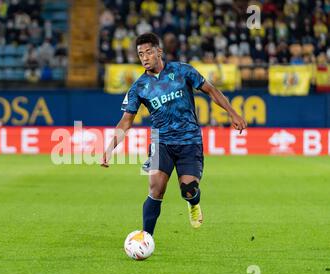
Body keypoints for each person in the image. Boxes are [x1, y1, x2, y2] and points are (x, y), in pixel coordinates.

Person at [101, 33, 247, 234]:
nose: (144, 57)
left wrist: (233, 114)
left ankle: (193, 203)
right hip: (161, 142)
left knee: (188, 190)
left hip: (189, 139)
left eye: (148, 52)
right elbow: (126, 121)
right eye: (140, 54)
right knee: (155, 188)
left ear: (159, 51)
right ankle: (146, 237)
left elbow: (211, 90)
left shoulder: (182, 70)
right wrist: (110, 148)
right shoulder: (138, 88)